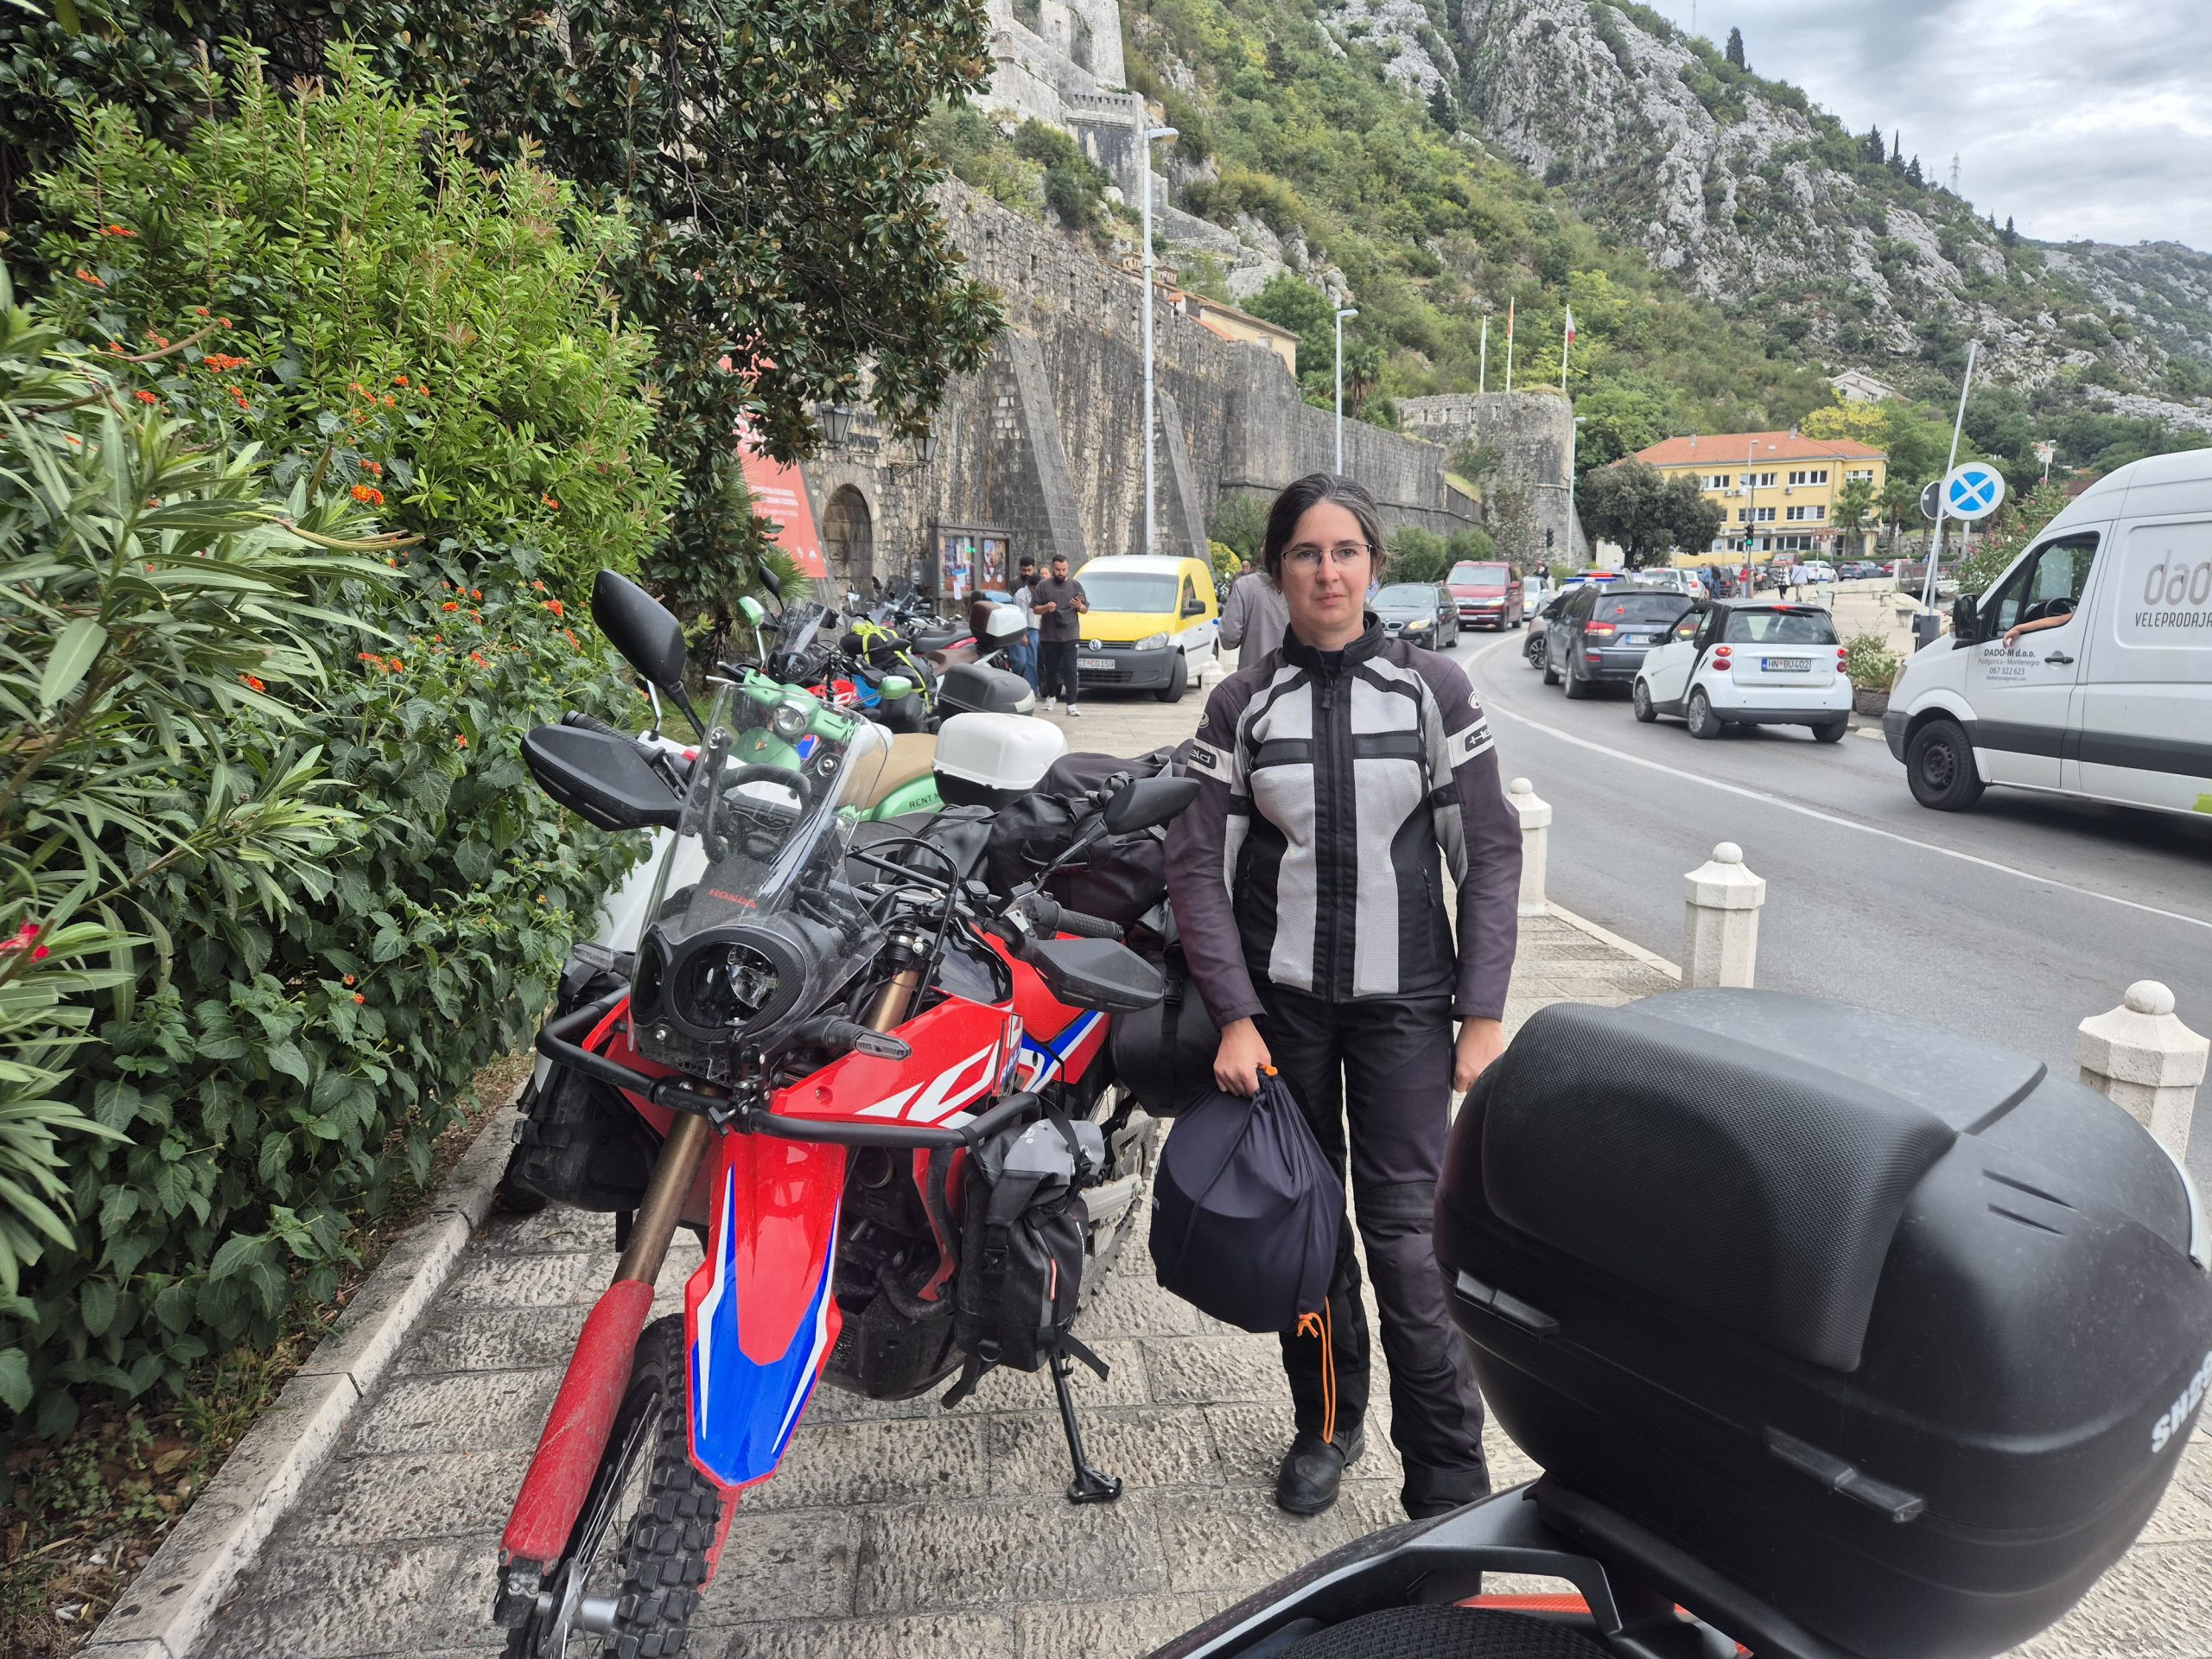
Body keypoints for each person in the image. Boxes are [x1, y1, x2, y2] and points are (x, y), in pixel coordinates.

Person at [1165, 473, 1522, 1523]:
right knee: (1305, 1233)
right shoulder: (1240, 704)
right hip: (1281, 1017)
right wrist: (1234, 1016)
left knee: (1408, 1242)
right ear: (1276, 572)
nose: (1327, 572)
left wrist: (1482, 1014)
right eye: (1306, 553)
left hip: (1406, 1008)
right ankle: (1324, 1425)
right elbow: (1196, 868)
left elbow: (1486, 853)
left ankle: (1447, 1479)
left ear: (1373, 564)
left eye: (1346, 551)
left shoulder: (1433, 690)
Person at [1030, 552, 1089, 716]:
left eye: (1064, 569)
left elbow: (1085, 609)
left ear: (1068, 568)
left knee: (1071, 668)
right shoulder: (1043, 585)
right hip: (1050, 635)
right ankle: (1051, 696)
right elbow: (1035, 609)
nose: (1061, 573)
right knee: (1051, 668)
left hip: (1071, 634)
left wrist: (1079, 606)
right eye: (1058, 569)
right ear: (1052, 568)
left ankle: (1071, 703)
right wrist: (1046, 608)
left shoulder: (1075, 585)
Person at [1217, 560, 1289, 670]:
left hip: (1253, 673)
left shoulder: (1243, 585)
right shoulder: (1306, 584)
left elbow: (1229, 638)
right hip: (1296, 676)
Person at [1008, 556, 1041, 690]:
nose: (1027, 573)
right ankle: (1017, 686)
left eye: (1029, 570)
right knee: (1020, 662)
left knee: (1033, 662)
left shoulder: (1040, 588)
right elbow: (1019, 615)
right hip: (1020, 628)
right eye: (1024, 570)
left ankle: (1031, 690)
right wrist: (1022, 634)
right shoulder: (1018, 590)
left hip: (1034, 628)